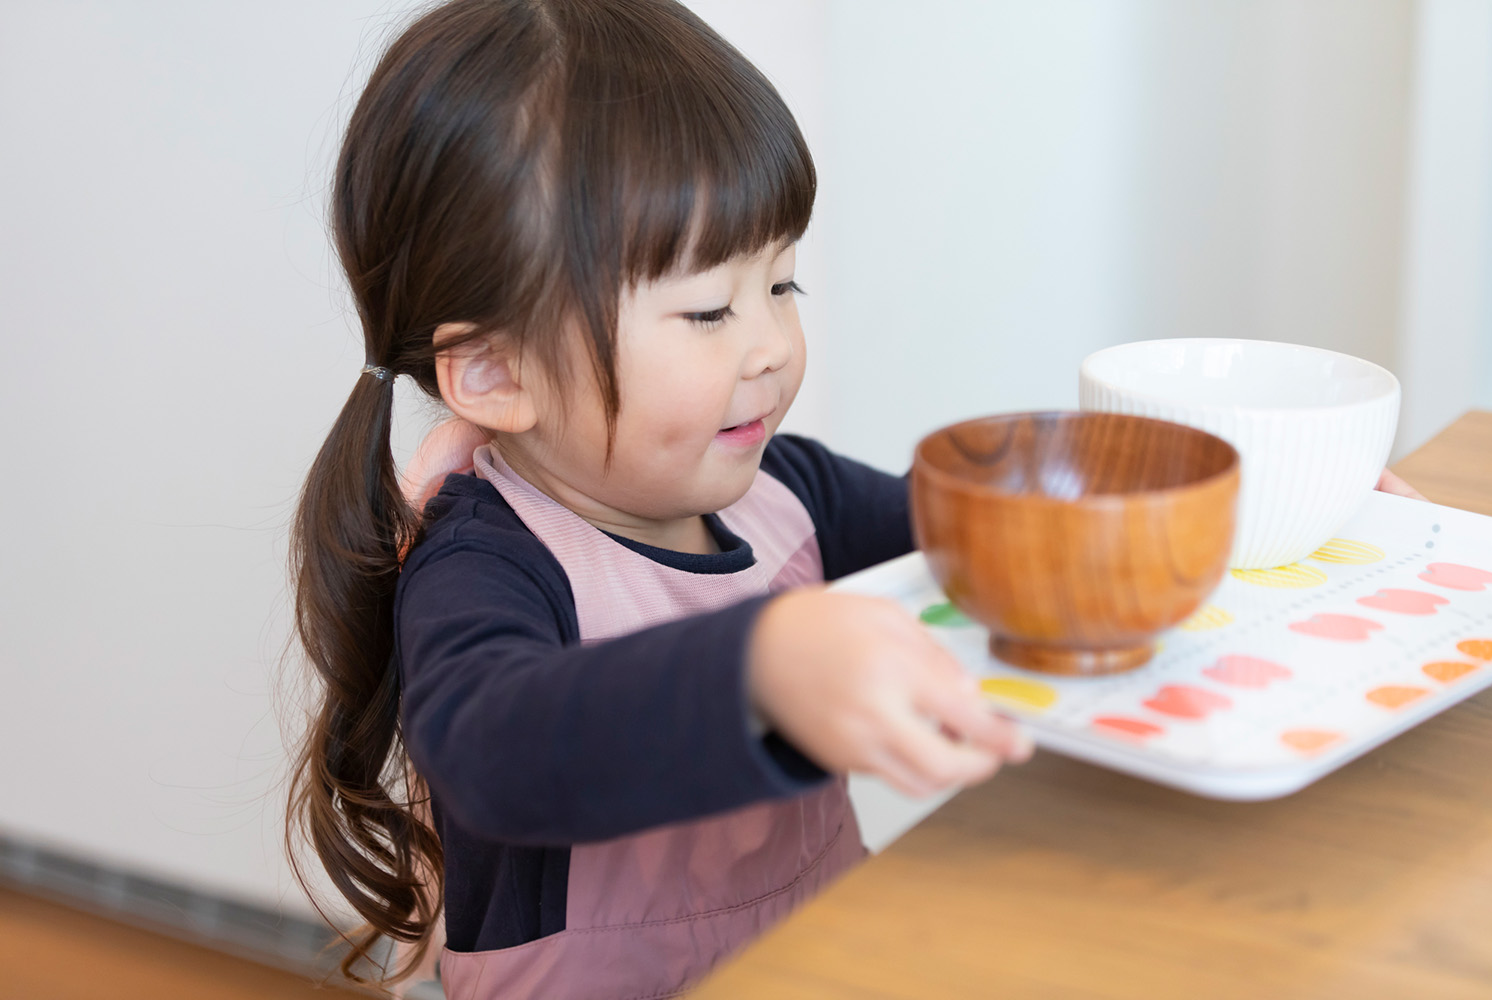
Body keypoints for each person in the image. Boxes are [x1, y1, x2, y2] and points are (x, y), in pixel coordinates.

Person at [285, 1, 1031, 997]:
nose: (768, 345)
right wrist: (759, 667)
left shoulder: (790, 497)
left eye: (782, 287)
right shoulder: (486, 568)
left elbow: (971, 546)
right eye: (711, 308)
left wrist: (1064, 517)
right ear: (500, 372)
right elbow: (499, 749)